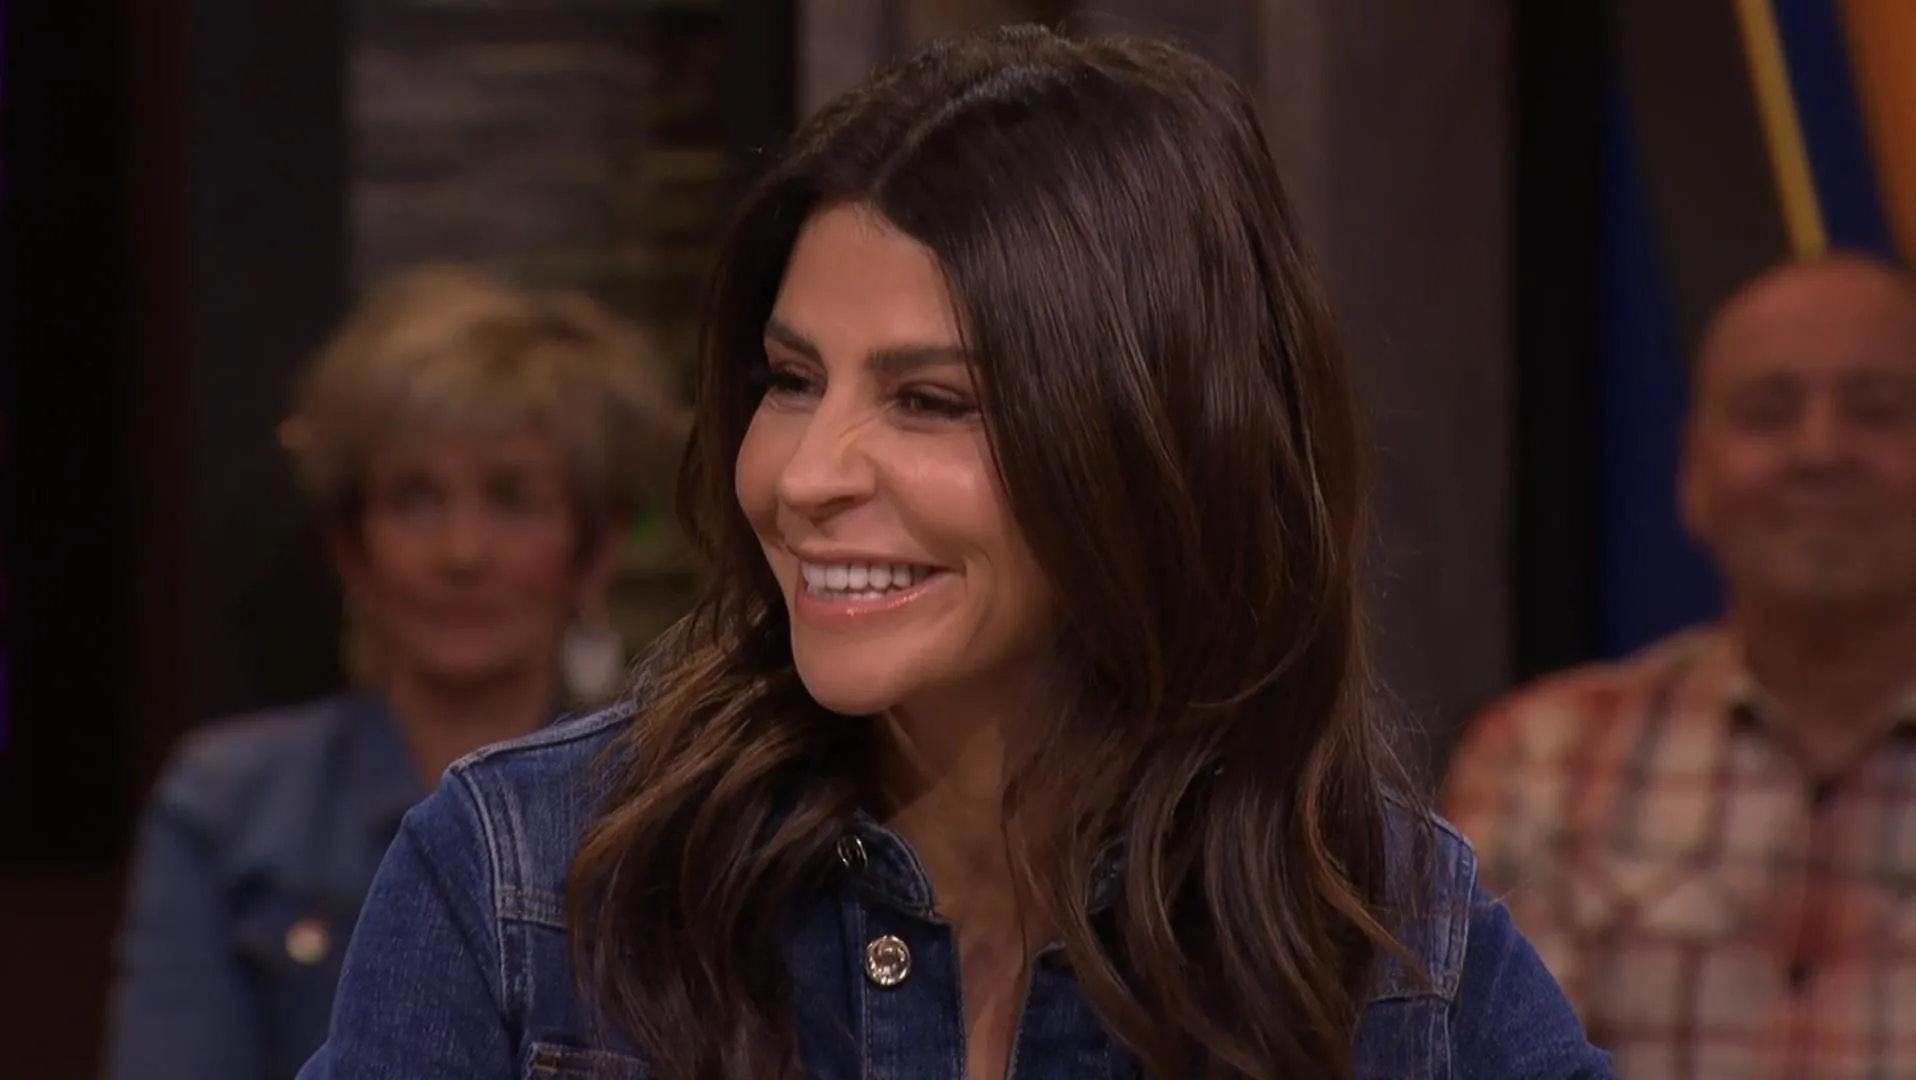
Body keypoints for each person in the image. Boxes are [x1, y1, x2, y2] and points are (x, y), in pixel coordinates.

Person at [299, 27, 1610, 1080]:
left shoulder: (1383, 941)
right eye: (791, 380)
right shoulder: (527, 882)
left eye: (929, 402)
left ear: (1151, 450)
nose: (805, 478)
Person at [105, 264, 687, 1080]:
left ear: (597, 549)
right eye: (415, 498)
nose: (461, 553)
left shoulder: (670, 808)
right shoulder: (225, 808)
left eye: (513, 498)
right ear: (351, 548)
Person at [1444, 254, 1916, 1080]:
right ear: (1694, 474)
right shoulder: (1542, 759)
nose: (1821, 451)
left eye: (1878, 412)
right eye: (1768, 413)